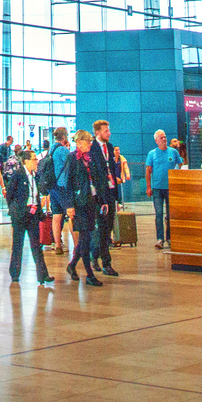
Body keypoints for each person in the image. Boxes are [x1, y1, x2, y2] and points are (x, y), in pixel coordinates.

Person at [4, 148, 54, 287]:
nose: (37, 162)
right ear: (26, 161)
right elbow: (10, 194)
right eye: (34, 159)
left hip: (32, 215)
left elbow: (37, 195)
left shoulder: (35, 176)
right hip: (20, 214)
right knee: (18, 245)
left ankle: (42, 275)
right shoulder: (18, 175)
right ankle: (14, 274)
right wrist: (15, 209)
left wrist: (39, 212)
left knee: (36, 245)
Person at [67, 131, 103, 285]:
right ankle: (89, 274)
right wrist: (69, 205)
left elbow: (95, 179)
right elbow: (67, 183)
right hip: (79, 203)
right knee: (85, 238)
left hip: (91, 201)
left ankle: (72, 264)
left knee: (84, 238)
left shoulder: (91, 158)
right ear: (79, 142)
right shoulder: (72, 159)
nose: (90, 143)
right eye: (88, 141)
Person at [88, 121, 122, 276]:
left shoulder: (109, 147)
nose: (109, 133)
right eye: (106, 131)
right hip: (99, 195)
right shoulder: (92, 149)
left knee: (107, 228)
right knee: (102, 228)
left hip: (110, 192)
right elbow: (94, 174)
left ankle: (95, 255)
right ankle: (106, 263)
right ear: (98, 133)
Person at [143, 129, 183, 250]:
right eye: (161, 138)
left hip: (170, 188)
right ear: (156, 140)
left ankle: (170, 237)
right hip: (157, 188)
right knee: (159, 213)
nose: (164, 139)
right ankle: (160, 239)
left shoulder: (173, 152)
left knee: (170, 214)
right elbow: (148, 171)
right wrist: (148, 187)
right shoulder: (152, 154)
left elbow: (181, 164)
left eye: (165, 137)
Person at [46, 127, 72, 252]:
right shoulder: (62, 149)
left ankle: (57, 245)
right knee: (72, 214)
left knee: (56, 215)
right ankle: (77, 247)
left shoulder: (51, 148)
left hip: (52, 186)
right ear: (65, 136)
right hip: (62, 186)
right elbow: (71, 164)